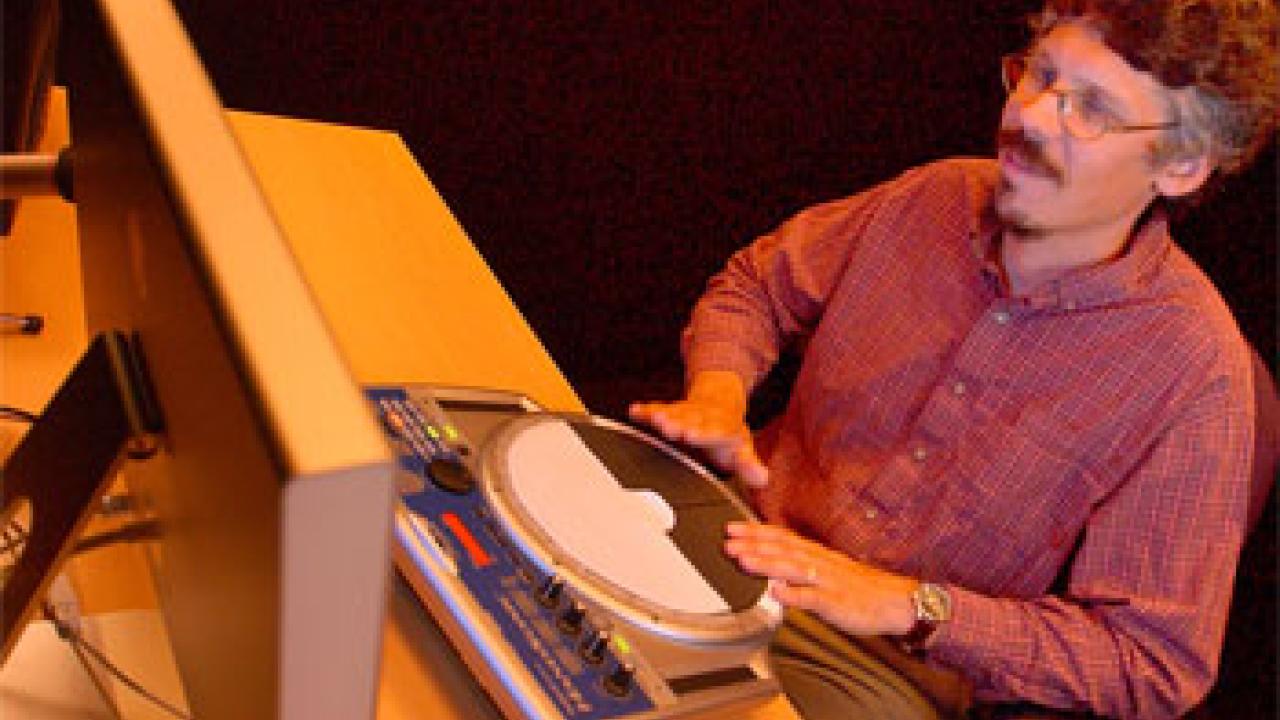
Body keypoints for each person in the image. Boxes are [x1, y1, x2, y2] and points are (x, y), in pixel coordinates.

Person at [629, 1, 1278, 718]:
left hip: (873, 663)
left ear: (1182, 165)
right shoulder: (936, 196)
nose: (1029, 117)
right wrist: (718, 395)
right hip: (734, 530)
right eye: (1038, 76)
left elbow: (1151, 663)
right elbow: (759, 286)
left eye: (1089, 109)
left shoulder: (1195, 371)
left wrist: (914, 606)